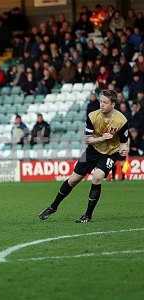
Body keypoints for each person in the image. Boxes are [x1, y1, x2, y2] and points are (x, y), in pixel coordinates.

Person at [39, 90, 129, 223]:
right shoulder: (93, 116)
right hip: (91, 151)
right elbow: (87, 139)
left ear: (113, 104)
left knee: (97, 177)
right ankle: (53, 207)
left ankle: (88, 215)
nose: (101, 104)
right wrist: (102, 138)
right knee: (73, 180)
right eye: (101, 101)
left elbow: (123, 141)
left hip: (110, 153)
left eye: (105, 102)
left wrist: (123, 149)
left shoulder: (121, 120)